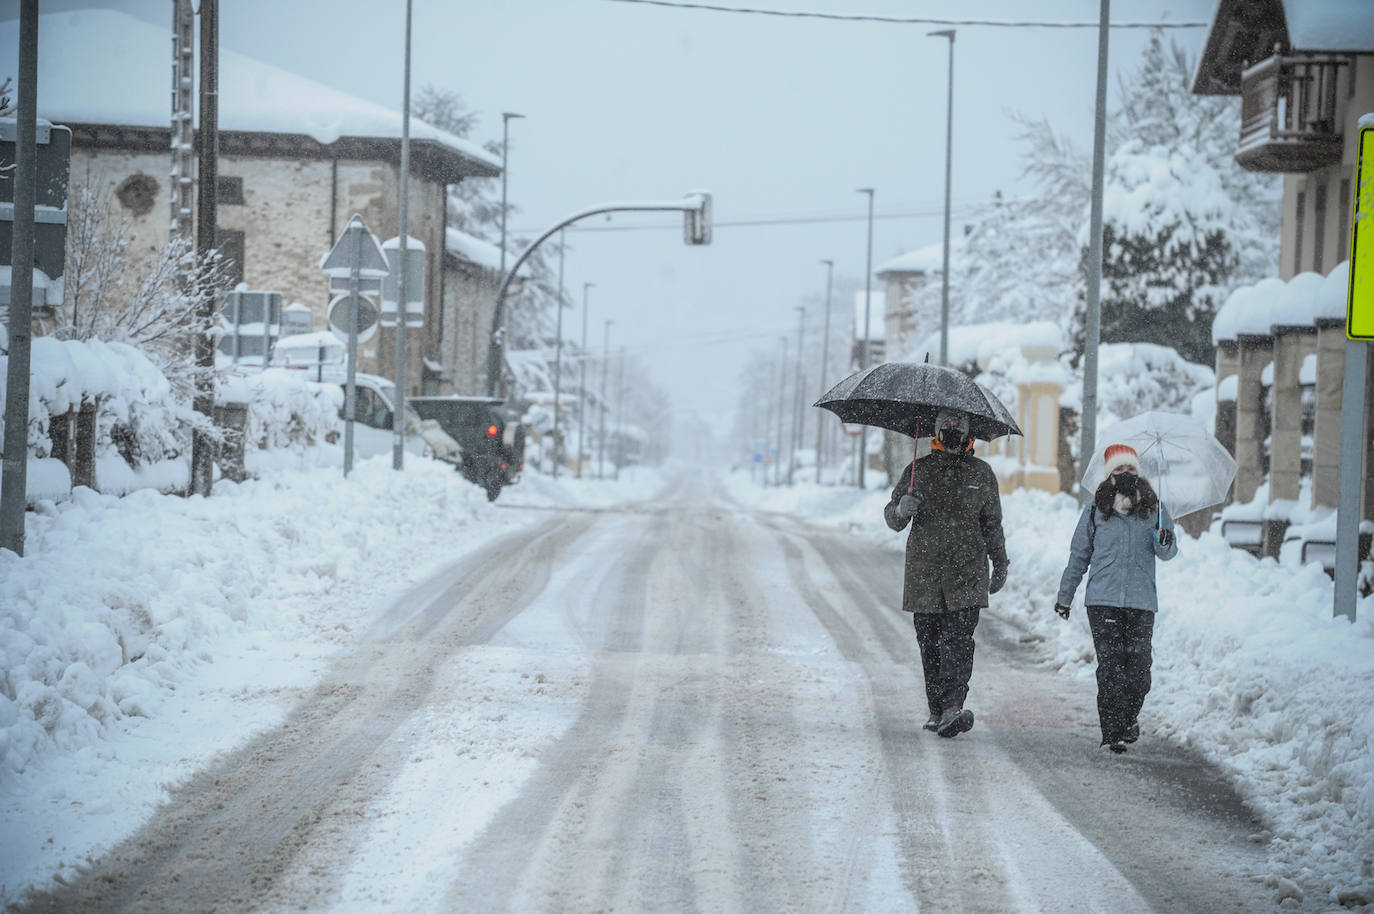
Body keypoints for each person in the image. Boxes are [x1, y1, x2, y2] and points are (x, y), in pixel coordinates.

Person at [885, 408, 1009, 738]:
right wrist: (901, 508)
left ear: (969, 432)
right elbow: (892, 518)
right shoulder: (918, 470)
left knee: (958, 642)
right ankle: (937, 709)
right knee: (930, 643)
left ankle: (953, 706)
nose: (954, 429)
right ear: (936, 430)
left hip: (967, 574)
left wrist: (1001, 562)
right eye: (947, 424)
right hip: (925, 574)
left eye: (960, 425)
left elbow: (992, 524)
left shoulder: (982, 473)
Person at [1055, 443, 1178, 754]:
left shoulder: (1155, 508)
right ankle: (1113, 732)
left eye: (1131, 469)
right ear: (1110, 476)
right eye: (1119, 470)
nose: (1126, 474)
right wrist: (1064, 597)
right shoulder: (1096, 510)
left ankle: (1127, 718)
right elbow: (1079, 555)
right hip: (1103, 600)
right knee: (1111, 667)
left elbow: (1167, 553)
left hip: (1141, 601)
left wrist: (1164, 540)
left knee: (1139, 671)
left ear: (1139, 473)